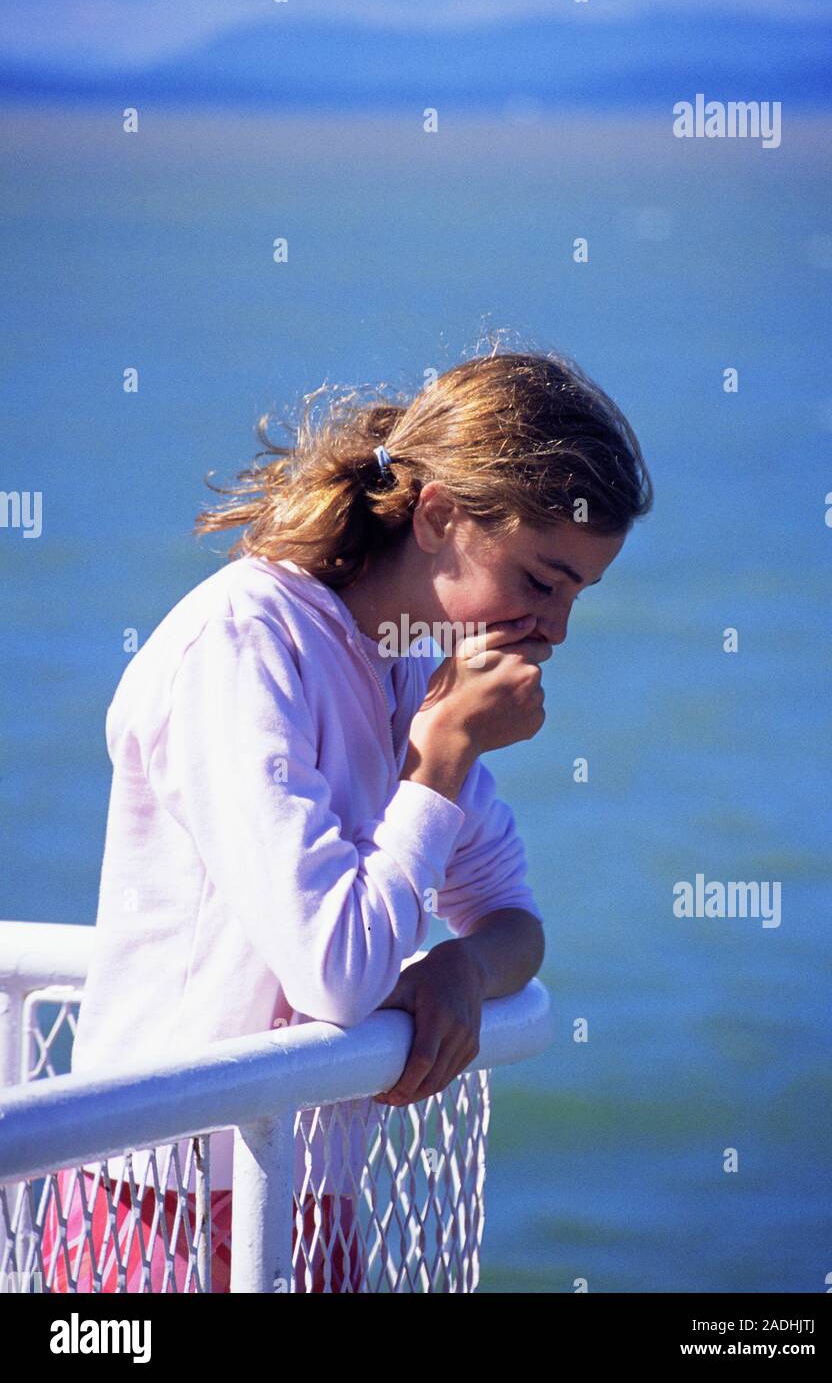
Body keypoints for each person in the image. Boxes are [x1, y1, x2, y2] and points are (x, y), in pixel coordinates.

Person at [41, 345, 653, 1293]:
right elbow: (336, 972)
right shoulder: (244, 644)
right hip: (153, 1196)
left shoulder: (408, 662)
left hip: (302, 1192)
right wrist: (442, 757)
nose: (556, 629)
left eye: (578, 592)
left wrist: (460, 966)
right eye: (540, 580)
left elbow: (511, 919)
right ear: (440, 512)